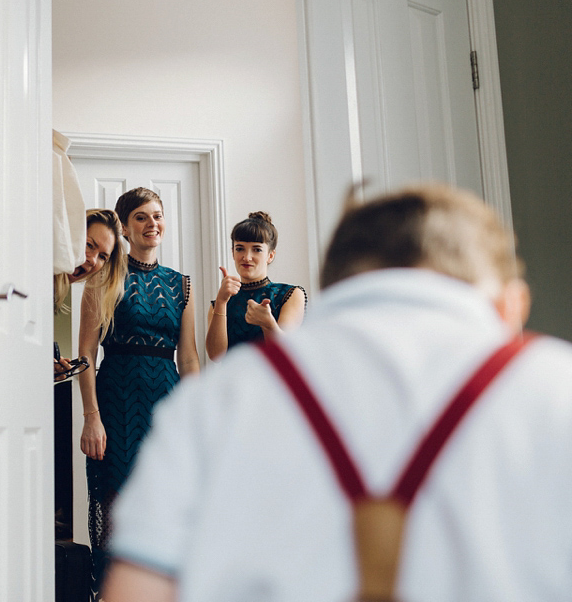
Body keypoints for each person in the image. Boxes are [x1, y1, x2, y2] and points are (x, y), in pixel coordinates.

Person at [101, 184, 572, 602]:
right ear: (514, 305)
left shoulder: (211, 403)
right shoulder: (556, 387)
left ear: (335, 278)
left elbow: (140, 591)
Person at [76, 186, 201, 596]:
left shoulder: (181, 284)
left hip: (166, 401)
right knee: (118, 508)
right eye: (142, 217)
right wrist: (90, 416)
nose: (153, 224)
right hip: (116, 402)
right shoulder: (103, 278)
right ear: (126, 228)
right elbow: (86, 354)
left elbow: (190, 359)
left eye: (158, 215)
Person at [206, 212, 307, 360]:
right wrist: (221, 302)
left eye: (257, 249)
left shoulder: (291, 294)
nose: (247, 257)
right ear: (233, 253)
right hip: (235, 381)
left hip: (271, 382)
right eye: (240, 248)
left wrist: (268, 324)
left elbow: (285, 354)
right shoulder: (219, 303)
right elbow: (216, 356)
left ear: (270, 255)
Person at [54, 209, 127, 382]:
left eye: (103, 256)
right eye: (89, 245)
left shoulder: (53, 291)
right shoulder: (37, 281)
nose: (93, 260)